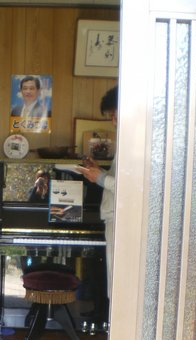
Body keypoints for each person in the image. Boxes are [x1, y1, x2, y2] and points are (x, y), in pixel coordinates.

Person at [75, 85, 118, 301]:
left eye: (114, 115)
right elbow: (120, 180)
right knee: (113, 283)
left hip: (122, 221)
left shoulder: (140, 143)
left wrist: (99, 178)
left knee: (116, 286)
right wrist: (99, 170)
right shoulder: (128, 141)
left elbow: (132, 189)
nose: (113, 122)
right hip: (113, 218)